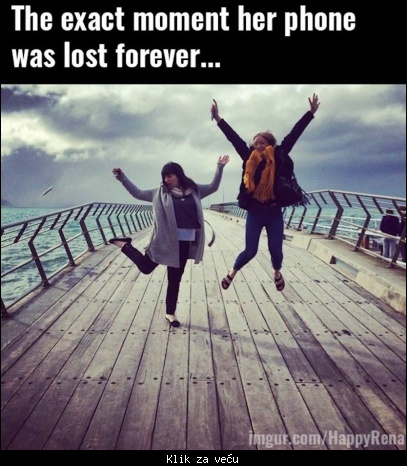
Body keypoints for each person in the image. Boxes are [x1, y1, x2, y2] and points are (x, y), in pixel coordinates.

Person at [210, 94, 320, 292]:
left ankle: (277, 273)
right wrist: (218, 118)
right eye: (255, 143)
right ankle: (231, 273)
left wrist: (310, 113)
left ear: (270, 144)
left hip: (274, 211)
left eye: (262, 142)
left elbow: (295, 133)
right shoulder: (249, 157)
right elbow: (233, 138)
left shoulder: (279, 154)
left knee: (276, 251)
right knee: (250, 251)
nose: (258, 145)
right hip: (255, 211)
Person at [110, 156, 230, 327]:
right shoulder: (158, 193)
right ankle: (124, 245)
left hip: (184, 243)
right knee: (146, 268)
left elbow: (213, 187)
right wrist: (122, 177)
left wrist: (220, 167)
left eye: (169, 176)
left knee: (175, 279)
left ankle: (170, 313)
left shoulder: (194, 190)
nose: (166, 179)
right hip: (165, 241)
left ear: (178, 175)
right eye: (164, 176)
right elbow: (137, 193)